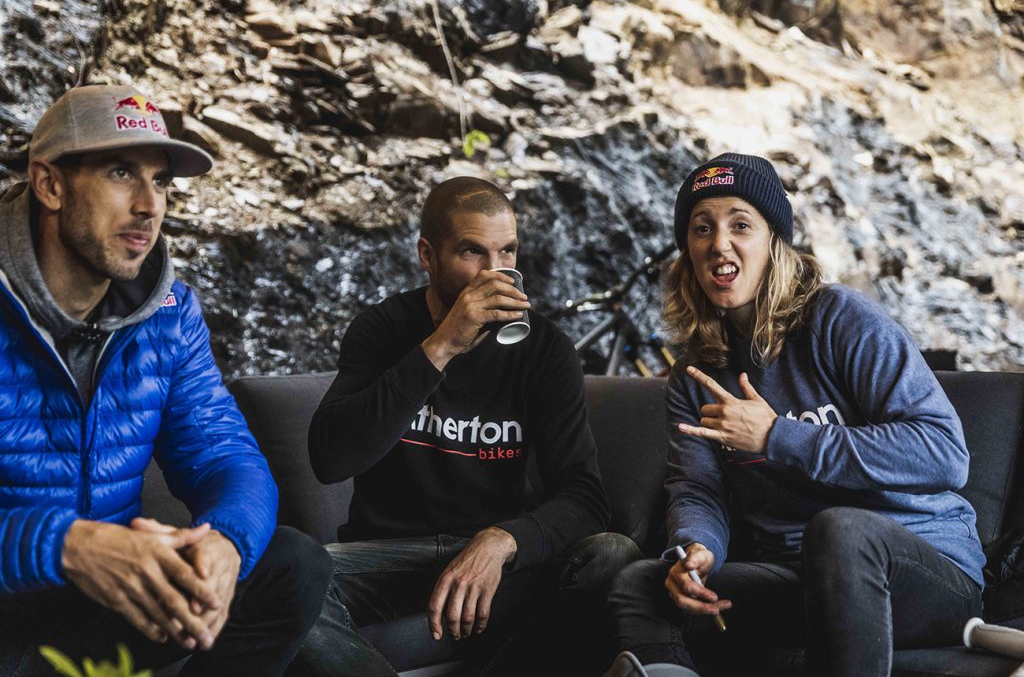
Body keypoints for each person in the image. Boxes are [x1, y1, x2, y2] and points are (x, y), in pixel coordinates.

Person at [605, 153, 984, 677]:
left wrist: (776, 437)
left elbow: (944, 454)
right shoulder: (697, 374)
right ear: (687, 251)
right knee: (642, 584)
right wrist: (693, 551)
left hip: (920, 570)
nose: (719, 243)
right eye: (701, 228)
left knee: (840, 531)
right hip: (799, 578)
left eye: (741, 224)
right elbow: (698, 490)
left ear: (773, 241)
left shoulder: (841, 319)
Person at [0, 85, 332, 676]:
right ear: (50, 184)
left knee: (294, 563)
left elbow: (225, 455)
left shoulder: (170, 313)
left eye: (161, 181)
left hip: (108, 602)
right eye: (122, 172)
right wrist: (68, 545)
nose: (149, 204)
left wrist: (226, 544)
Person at [292, 176, 639, 676]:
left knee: (613, 555)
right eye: (473, 252)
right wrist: (443, 346)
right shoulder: (383, 329)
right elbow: (331, 459)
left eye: (508, 253)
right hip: (388, 556)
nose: (495, 272)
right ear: (427, 255)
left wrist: (502, 539)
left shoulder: (544, 350)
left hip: (491, 559)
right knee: (280, 576)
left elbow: (585, 498)